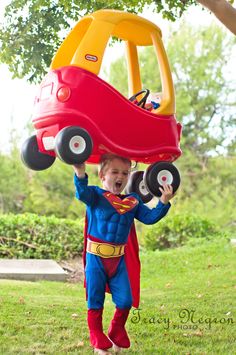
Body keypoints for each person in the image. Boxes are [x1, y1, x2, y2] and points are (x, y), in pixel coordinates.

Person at [73, 153, 174, 354]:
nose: (120, 176)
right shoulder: (95, 196)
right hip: (96, 258)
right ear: (102, 175)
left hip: (118, 261)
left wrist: (163, 201)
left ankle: (116, 328)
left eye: (125, 173)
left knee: (125, 300)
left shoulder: (133, 202)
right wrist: (79, 170)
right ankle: (96, 335)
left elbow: (150, 217)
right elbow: (81, 191)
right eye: (115, 172)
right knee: (95, 299)